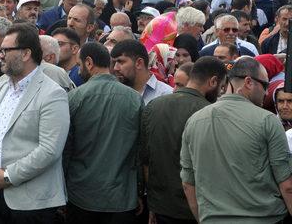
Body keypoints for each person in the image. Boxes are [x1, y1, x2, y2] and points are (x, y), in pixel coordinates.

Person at [0, 23, 69, 222]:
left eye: (6, 50)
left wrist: (7, 176)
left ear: (26, 54)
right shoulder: (0, 88)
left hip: (30, 203)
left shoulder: (52, 93)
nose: (0, 55)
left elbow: (50, 150)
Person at [180, 57, 292, 223]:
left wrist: (203, 218)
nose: (267, 92)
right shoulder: (267, 120)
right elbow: (287, 185)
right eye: (265, 85)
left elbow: (188, 184)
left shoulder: (194, 120)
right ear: (248, 82)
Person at [141, 56, 227, 224]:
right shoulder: (210, 113)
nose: (221, 92)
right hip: (197, 210)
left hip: (162, 207)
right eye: (221, 87)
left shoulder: (154, 106)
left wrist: (153, 204)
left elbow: (146, 161)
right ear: (213, 81)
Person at [65, 42, 143, 222]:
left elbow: (65, 149)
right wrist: (138, 189)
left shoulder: (75, 98)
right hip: (121, 197)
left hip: (81, 196)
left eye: (79, 65)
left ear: (89, 63)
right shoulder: (134, 99)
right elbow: (141, 151)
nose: (78, 71)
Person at [111, 39, 172, 105]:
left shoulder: (166, 95)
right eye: (114, 63)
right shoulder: (112, 93)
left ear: (139, 63)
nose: (115, 68)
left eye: (121, 62)